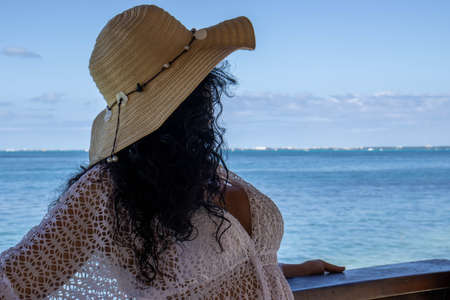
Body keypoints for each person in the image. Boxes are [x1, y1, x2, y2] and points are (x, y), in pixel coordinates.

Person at [0, 5, 344, 299]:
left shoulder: (207, 170)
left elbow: (230, 270)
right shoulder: (107, 190)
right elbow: (14, 280)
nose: (213, 90)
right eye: (204, 78)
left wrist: (290, 268)